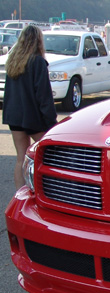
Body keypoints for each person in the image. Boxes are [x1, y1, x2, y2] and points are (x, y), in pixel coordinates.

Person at [2, 25, 57, 190]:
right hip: (33, 118)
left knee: (21, 156)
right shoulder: (38, 62)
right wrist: (52, 123)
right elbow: (44, 96)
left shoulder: (13, 61)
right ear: (38, 41)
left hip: (14, 116)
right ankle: (47, 191)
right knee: (49, 155)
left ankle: (20, 194)